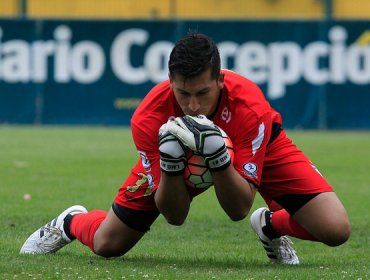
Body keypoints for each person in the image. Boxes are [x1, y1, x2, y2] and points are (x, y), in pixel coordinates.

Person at [20, 33, 351, 265]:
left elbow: (237, 209)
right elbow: (175, 217)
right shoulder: (149, 118)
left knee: (335, 229)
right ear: (169, 81)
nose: (193, 106)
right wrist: (171, 164)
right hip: (174, 159)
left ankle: (269, 225)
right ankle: (70, 222)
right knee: (108, 245)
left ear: (220, 80)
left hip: (257, 144)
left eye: (203, 93)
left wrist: (218, 158)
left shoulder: (251, 109)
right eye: (183, 94)